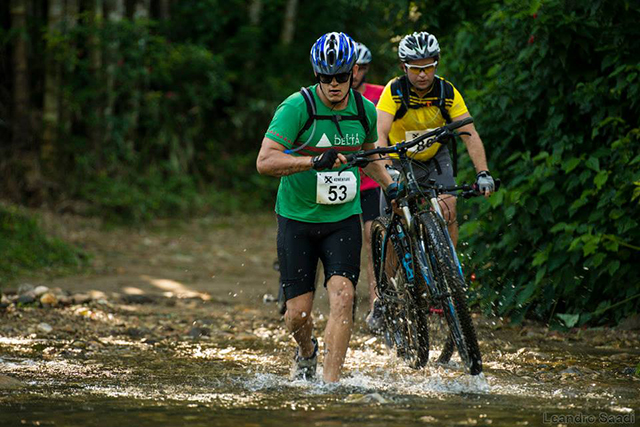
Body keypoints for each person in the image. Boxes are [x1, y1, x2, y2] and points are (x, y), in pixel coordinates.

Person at [256, 32, 395, 383]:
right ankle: (306, 352)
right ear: (316, 75)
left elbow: (369, 159)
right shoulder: (296, 107)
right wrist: (312, 162)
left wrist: (394, 187)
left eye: (341, 77)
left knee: (344, 297)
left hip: (342, 219)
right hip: (297, 220)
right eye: (325, 77)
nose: (333, 84)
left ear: (353, 74)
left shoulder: (364, 110)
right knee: (296, 315)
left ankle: (330, 386)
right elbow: (265, 161)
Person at [369, 31, 495, 328]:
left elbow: (469, 133)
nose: (423, 74)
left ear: (436, 64)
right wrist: (388, 168)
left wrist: (483, 173)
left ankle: (445, 270)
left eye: (428, 66)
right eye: (415, 68)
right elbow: (379, 134)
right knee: (395, 223)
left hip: (434, 157)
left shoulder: (446, 92)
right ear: (404, 67)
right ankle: (384, 295)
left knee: (449, 206)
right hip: (398, 157)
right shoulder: (395, 91)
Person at [351, 42, 386, 332]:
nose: (356, 73)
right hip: (344, 179)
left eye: (362, 68)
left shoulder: (379, 95)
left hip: (372, 179)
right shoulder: (331, 96)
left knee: (371, 236)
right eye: (354, 67)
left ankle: (377, 300)